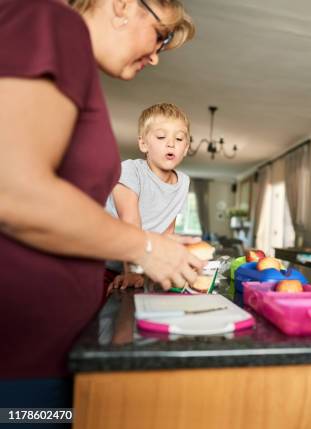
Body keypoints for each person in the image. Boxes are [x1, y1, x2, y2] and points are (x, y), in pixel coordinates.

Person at [0, 0, 200, 411]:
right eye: (160, 34)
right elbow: (14, 192)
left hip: (52, 342)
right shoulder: (54, 22)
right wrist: (144, 248)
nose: (156, 56)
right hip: (21, 354)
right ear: (124, 5)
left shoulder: (69, 52)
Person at [105, 102, 193, 292]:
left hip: (142, 267)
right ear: (143, 143)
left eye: (179, 139)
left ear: (186, 148)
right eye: (161, 137)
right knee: (104, 315)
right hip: (103, 264)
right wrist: (131, 271)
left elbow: (168, 232)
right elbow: (129, 224)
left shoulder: (183, 182)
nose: (171, 143)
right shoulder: (130, 171)